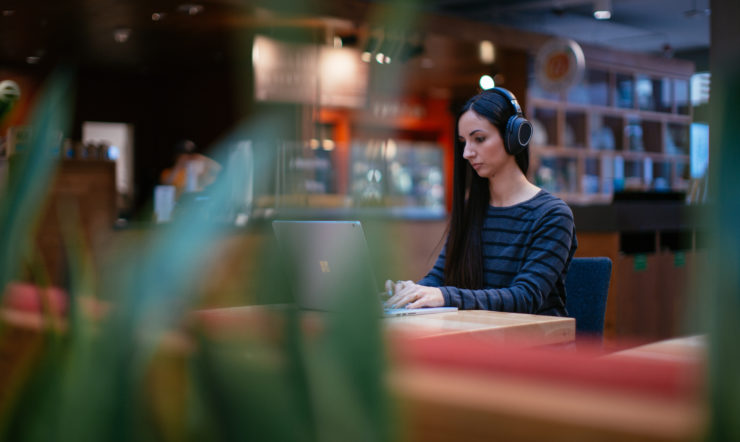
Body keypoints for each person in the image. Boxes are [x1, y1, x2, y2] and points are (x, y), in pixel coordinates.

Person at [385, 87, 577, 316]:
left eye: (479, 139)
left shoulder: (553, 215)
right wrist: (411, 292)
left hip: (536, 345)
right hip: (482, 338)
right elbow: (440, 276)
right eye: (463, 142)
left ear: (514, 137)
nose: (467, 153)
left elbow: (525, 297)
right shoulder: (471, 209)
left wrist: (444, 295)